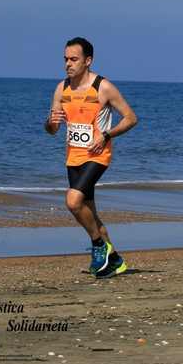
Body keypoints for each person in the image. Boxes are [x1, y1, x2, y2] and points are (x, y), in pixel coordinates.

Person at [44, 37, 138, 277]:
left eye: (73, 59)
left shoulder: (102, 87)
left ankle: (98, 245)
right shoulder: (61, 88)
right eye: (65, 59)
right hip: (72, 157)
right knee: (90, 212)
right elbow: (52, 129)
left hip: (97, 155)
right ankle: (115, 260)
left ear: (88, 61)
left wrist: (106, 135)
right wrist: (51, 123)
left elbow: (130, 118)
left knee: (73, 201)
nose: (68, 64)